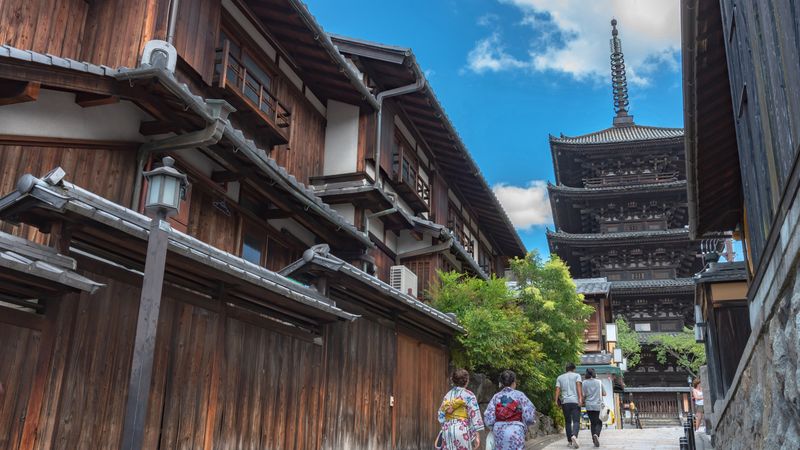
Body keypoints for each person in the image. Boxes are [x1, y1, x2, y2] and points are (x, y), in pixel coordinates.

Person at [484, 370, 536, 450]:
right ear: (514, 383)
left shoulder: (496, 397)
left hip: (499, 431)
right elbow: (529, 416)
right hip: (516, 430)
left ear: (501, 383)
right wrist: (524, 425)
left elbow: (488, 418)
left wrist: (495, 427)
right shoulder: (520, 395)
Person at [437, 369, 484, 450]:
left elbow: (441, 416)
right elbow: (474, 415)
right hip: (462, 429)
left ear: (453, 380)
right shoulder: (469, 395)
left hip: (447, 430)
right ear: (467, 381)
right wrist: (477, 435)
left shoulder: (447, 395)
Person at [555, 362, 583, 448]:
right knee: (576, 421)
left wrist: (556, 400)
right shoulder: (577, 375)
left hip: (565, 402)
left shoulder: (560, 377)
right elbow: (578, 386)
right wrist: (580, 398)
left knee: (567, 422)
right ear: (574, 369)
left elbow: (557, 389)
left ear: (566, 369)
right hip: (574, 401)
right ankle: (574, 435)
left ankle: (570, 441)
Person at [582, 368, 606, 448]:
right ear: (594, 373)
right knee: (599, 422)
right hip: (598, 405)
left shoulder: (584, 383)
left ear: (587, 374)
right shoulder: (599, 382)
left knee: (593, 423)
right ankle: (596, 435)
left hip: (589, 405)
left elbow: (583, 395)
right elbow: (604, 393)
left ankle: (594, 439)